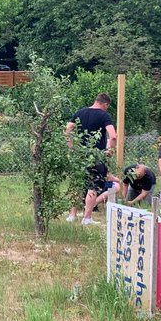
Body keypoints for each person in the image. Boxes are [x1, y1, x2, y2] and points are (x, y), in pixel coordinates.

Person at [65, 93, 117, 225]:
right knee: (93, 186)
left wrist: (71, 147)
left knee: (77, 185)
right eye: (107, 106)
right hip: (96, 156)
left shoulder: (79, 113)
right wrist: (110, 150)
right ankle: (87, 218)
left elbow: (68, 129)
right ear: (105, 104)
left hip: (80, 155)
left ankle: (72, 215)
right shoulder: (104, 115)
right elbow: (113, 136)